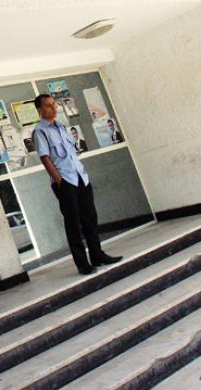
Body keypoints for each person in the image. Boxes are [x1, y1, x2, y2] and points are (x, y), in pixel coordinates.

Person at [32, 94, 123, 275]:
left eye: (54, 104)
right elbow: (45, 158)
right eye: (48, 106)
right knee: (73, 224)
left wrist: (83, 173)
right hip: (65, 181)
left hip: (80, 178)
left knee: (90, 218)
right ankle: (82, 264)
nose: (53, 108)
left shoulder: (62, 127)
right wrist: (59, 181)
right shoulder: (40, 131)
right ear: (40, 110)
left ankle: (97, 255)